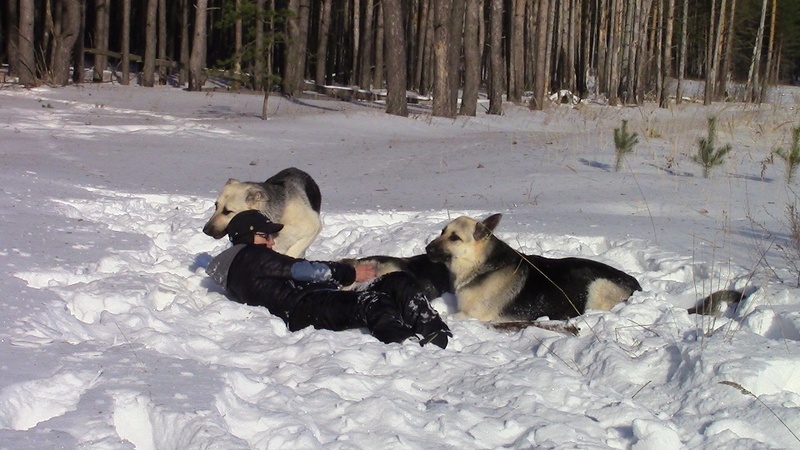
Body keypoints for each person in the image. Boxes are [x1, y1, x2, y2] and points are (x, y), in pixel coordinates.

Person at [206, 209, 451, 348]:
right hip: (302, 307)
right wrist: (349, 273)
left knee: (397, 280)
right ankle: (406, 347)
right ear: (247, 236)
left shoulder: (249, 257)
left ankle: (437, 335)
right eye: (265, 236)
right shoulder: (249, 256)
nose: (271, 242)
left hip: (318, 298)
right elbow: (302, 270)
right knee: (373, 302)